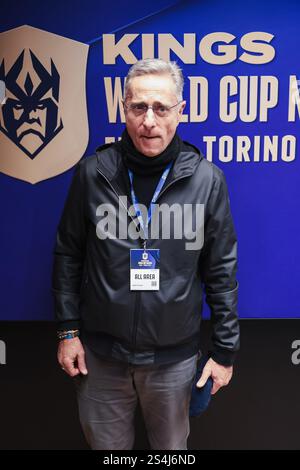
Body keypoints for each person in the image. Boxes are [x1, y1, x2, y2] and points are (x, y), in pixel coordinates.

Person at [52, 58, 240, 450]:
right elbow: (68, 254)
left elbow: (221, 270)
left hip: (174, 362)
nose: (149, 121)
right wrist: (68, 332)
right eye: (139, 107)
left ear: (180, 111)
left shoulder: (206, 180)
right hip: (101, 358)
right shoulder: (93, 174)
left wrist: (224, 352)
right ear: (124, 109)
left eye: (161, 108)